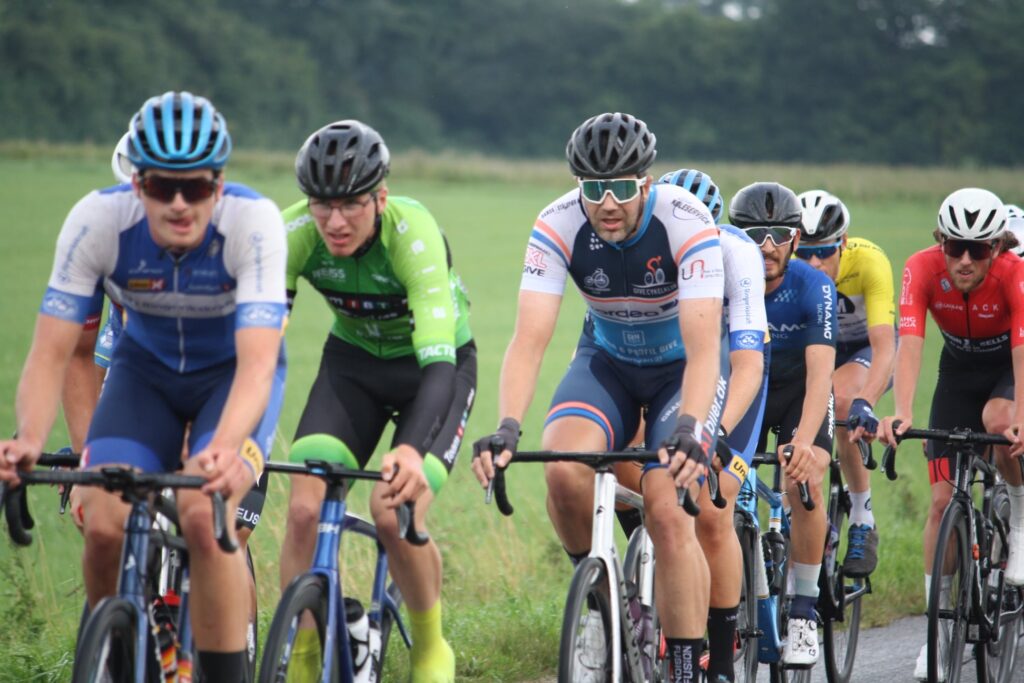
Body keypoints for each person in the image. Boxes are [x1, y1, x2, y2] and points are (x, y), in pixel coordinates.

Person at [0, 91, 288, 681]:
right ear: (137, 184)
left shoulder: (253, 223)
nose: (179, 204)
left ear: (219, 184)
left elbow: (259, 366)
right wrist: (29, 437)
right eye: (161, 187)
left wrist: (224, 446)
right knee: (104, 522)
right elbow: (55, 351)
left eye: (196, 187)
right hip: (144, 376)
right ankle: (117, 653)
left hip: (230, 378)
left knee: (205, 518)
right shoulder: (96, 222)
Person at [471, 112, 725, 682]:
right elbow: (529, 339)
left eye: (621, 188)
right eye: (593, 188)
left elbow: (705, 347)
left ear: (646, 183)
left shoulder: (686, 221)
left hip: (680, 370)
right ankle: (602, 607)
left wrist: (691, 425)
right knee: (563, 470)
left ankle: (687, 668)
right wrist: (507, 425)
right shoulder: (557, 222)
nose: (607, 203)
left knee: (666, 505)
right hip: (607, 363)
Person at [278, 120, 476, 683]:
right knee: (304, 509)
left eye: (351, 205)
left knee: (393, 511)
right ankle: (304, 655)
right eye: (322, 205)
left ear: (380, 199)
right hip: (353, 367)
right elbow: (259, 345)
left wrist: (410, 450)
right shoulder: (292, 233)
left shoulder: (412, 234)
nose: (335, 221)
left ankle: (430, 647)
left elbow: (438, 364)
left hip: (433, 369)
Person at [878, 188, 1024, 681]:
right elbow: (911, 342)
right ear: (940, 241)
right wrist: (901, 413)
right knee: (941, 504)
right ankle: (936, 635)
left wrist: (1022, 416)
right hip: (957, 375)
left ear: (997, 247)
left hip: (1007, 372)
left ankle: (1020, 520)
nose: (964, 260)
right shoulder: (920, 268)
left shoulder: (1014, 274)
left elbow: (1022, 350)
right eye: (955, 246)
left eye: (977, 249)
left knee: (999, 422)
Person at [658, 168, 770, 682]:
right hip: (674, 368)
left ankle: (722, 662)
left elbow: (747, 365)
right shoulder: (644, 251)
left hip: (735, 366)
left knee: (710, 507)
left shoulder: (734, 251)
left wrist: (715, 433)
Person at [730, 181, 837, 667]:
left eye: (778, 235)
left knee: (803, 479)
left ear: (796, 239)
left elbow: (821, 377)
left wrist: (805, 444)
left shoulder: (813, 286)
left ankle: (804, 612)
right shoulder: (726, 281)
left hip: (799, 394)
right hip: (748, 390)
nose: (767, 246)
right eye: (755, 234)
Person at [795, 189, 895, 577]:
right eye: (805, 253)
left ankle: (862, 516)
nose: (814, 263)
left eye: (825, 252)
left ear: (844, 243)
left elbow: (885, 347)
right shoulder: (786, 268)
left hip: (864, 347)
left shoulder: (868, 261)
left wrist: (865, 402)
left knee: (840, 398)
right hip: (818, 347)